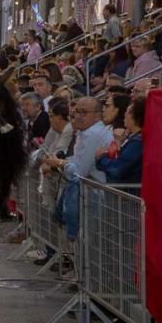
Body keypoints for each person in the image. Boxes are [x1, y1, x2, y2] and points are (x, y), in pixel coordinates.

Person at [41, 97, 114, 242]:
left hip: (96, 194)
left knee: (90, 242)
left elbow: (80, 171)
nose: (78, 116)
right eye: (76, 112)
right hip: (91, 193)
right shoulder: (85, 132)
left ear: (98, 114)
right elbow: (78, 161)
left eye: (84, 112)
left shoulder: (93, 134)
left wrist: (60, 163)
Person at [96, 97, 145, 185]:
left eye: (128, 112)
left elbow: (117, 169)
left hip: (130, 194)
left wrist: (101, 158)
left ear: (135, 116)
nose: (124, 115)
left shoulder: (137, 142)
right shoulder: (132, 138)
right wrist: (119, 142)